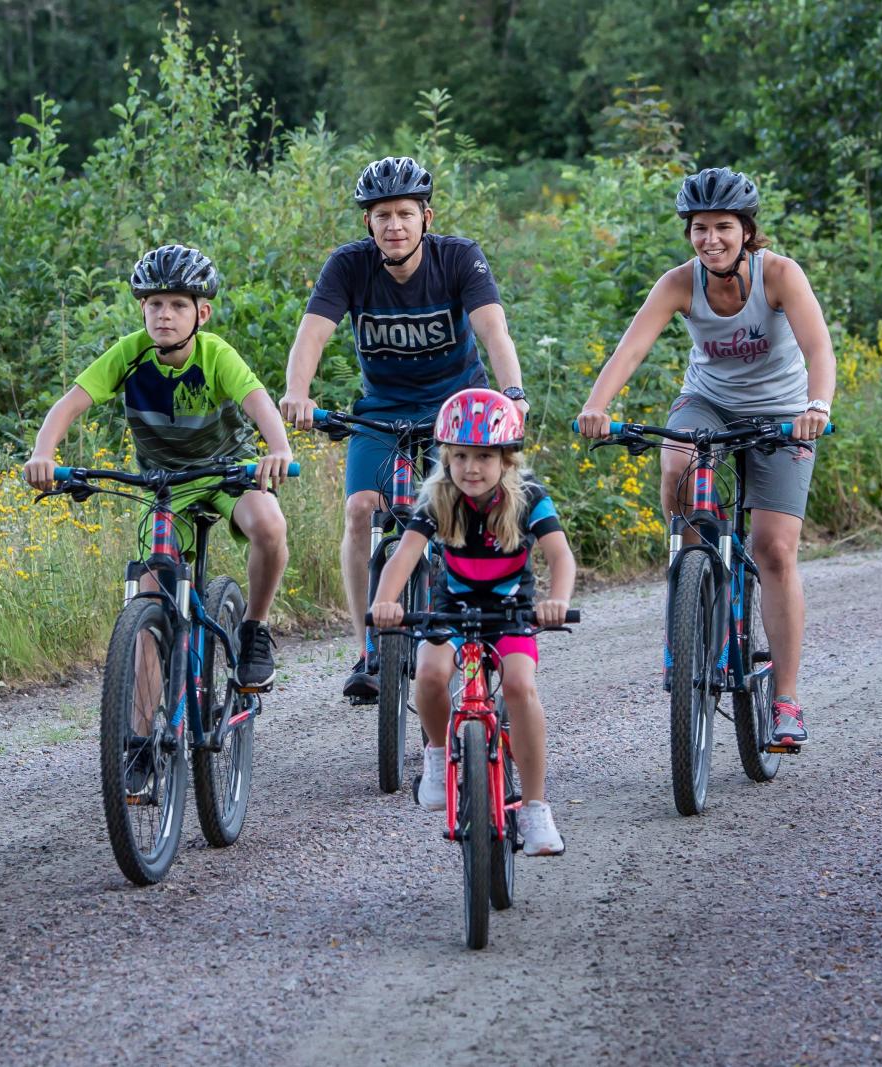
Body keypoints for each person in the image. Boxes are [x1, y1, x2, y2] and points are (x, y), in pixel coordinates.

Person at [575, 166, 836, 745]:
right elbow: (631, 349)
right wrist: (597, 404)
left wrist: (816, 405)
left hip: (782, 412)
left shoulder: (781, 276)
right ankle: (694, 580)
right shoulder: (678, 283)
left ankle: (786, 700)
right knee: (676, 460)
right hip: (708, 402)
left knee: (774, 548)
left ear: (747, 230)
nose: (710, 239)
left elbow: (819, 347)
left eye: (722, 227)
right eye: (699, 228)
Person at [280, 155, 530, 700]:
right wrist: (297, 393)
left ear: (426, 217)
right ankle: (370, 644)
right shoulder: (348, 266)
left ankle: (487, 625)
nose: (393, 225)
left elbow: (494, 331)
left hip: (457, 409)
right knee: (360, 510)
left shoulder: (459, 258)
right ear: (366, 223)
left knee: (467, 516)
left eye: (404, 213)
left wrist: (512, 394)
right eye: (381, 215)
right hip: (382, 410)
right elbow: (312, 335)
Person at [24, 244, 293, 690]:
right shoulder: (129, 354)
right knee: (150, 589)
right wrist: (43, 454)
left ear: (201, 314)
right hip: (165, 482)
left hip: (228, 471)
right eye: (154, 304)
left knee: (269, 525)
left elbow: (258, 402)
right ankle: (142, 740)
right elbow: (70, 404)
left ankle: (254, 629)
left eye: (177, 304)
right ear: (142, 309)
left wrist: (278, 448)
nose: (164, 314)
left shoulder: (216, 355)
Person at [370, 388, 575, 855]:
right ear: (445, 457)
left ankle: (536, 807)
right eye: (460, 456)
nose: (471, 468)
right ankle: (440, 757)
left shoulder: (529, 498)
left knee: (520, 686)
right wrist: (385, 603)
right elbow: (403, 557)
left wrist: (557, 600)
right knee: (429, 674)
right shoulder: (437, 498)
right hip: (453, 605)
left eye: (484, 456)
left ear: (506, 459)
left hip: (510, 609)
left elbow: (561, 556)